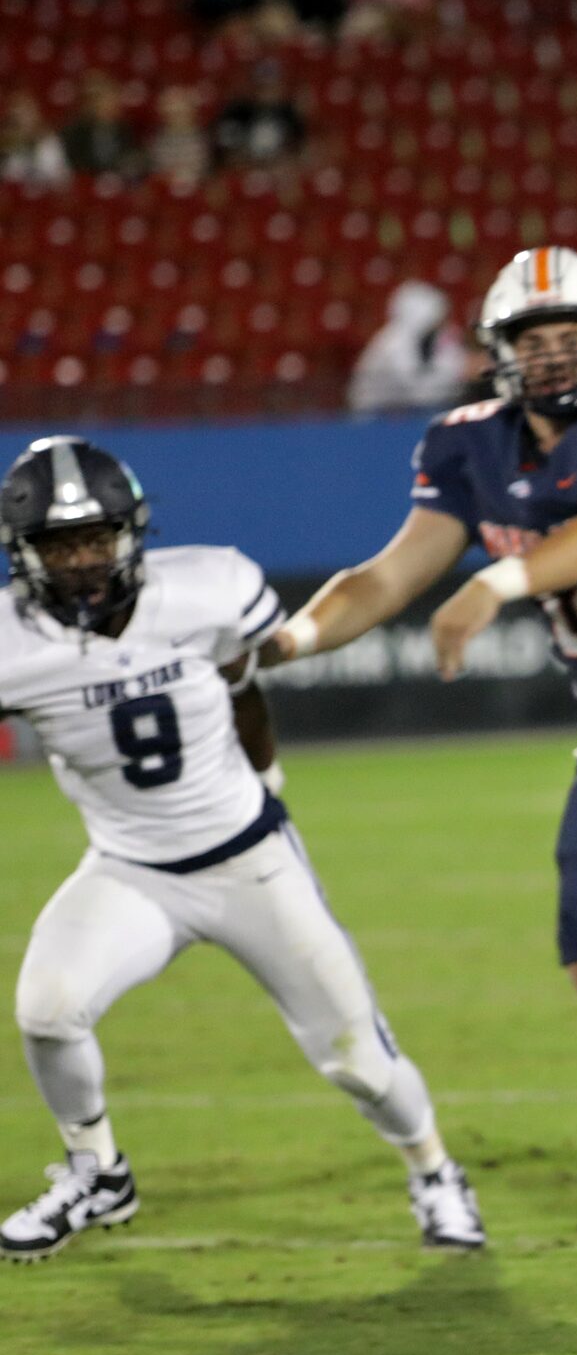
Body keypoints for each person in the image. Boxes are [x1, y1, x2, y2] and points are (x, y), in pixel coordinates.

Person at [261, 246, 577, 1239]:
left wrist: (496, 584)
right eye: (538, 340)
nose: (560, 356)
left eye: (576, 336)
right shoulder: (465, 445)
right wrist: (288, 640)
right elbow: (393, 573)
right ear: (500, 353)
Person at [0, 438, 484, 1261]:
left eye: (94, 539)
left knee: (357, 1060)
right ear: (25, 554)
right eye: (58, 545)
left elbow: (242, 685)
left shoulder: (208, 586)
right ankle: (97, 1172)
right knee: (47, 1012)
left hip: (247, 860)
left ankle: (435, 1171)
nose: (81, 561)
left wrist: (268, 781)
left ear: (131, 532)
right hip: (128, 870)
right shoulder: (14, 642)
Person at [347, 280, 469, 414]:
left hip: (406, 415)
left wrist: (465, 366)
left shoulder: (432, 337)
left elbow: (451, 360)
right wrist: (461, 372)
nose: (441, 323)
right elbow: (422, 396)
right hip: (373, 420)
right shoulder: (392, 345)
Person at [210, 59, 306, 170]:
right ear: (253, 87)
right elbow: (226, 152)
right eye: (262, 87)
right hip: (243, 171)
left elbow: (301, 152)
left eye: (272, 86)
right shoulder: (236, 111)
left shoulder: (289, 114)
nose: (267, 93)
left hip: (278, 172)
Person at [56, 72, 137, 179]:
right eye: (105, 100)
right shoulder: (75, 133)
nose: (111, 105)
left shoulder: (124, 130)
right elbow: (73, 165)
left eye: (113, 99)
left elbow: (129, 159)